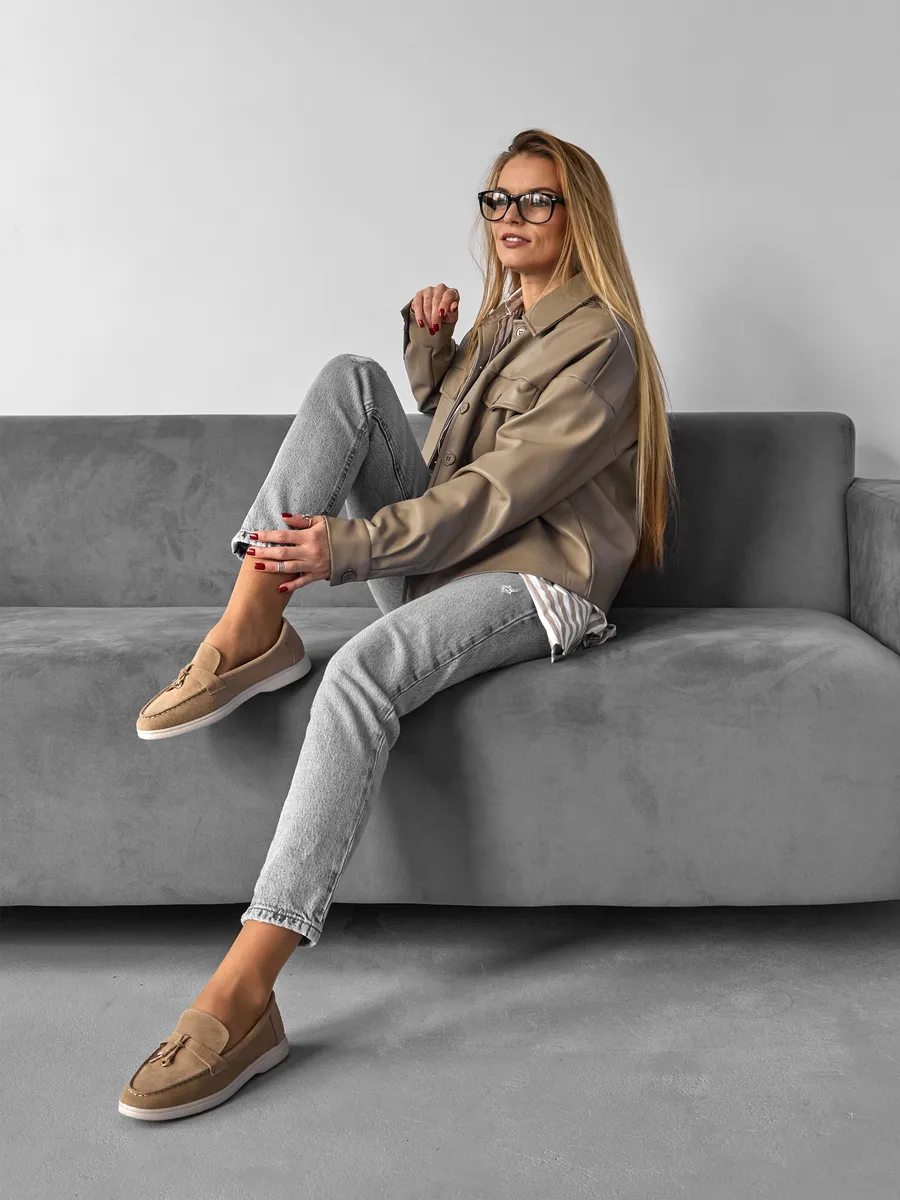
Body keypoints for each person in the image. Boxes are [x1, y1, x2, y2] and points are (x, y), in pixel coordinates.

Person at [118, 127, 675, 1120]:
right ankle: (251, 622)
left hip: (537, 580)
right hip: (454, 563)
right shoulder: (507, 325)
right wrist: (432, 350)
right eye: (497, 199)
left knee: (360, 674)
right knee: (350, 378)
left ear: (578, 214)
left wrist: (351, 546)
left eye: (535, 200)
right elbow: (449, 428)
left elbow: (502, 490)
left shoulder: (601, 343)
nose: (509, 217)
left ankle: (244, 993)